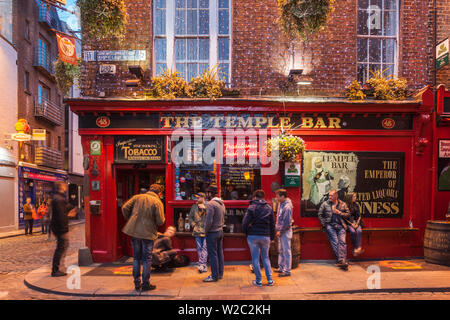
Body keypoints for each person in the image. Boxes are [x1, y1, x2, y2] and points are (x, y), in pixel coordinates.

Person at [122, 184, 165, 291]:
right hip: (148, 233)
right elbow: (160, 221)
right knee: (147, 259)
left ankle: (137, 283)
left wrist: (131, 218)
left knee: (136, 258)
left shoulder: (137, 197)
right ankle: (146, 284)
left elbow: (124, 208)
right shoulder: (157, 202)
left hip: (134, 231)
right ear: (159, 193)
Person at [242, 189, 275, 286]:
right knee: (266, 258)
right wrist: (272, 237)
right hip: (265, 236)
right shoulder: (269, 208)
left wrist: (246, 233)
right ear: (263, 197)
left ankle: (258, 281)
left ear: (254, 197)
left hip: (253, 236)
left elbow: (245, 223)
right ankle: (270, 280)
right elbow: (272, 224)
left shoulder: (251, 207)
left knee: (255, 259)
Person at [318, 189, 350, 270]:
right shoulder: (325, 204)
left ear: (336, 196)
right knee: (335, 241)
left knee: (342, 242)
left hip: (341, 225)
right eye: (329, 195)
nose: (329, 197)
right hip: (330, 225)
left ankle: (341, 261)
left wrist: (339, 213)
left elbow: (348, 214)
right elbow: (320, 214)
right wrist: (324, 224)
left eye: (331, 195)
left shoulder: (343, 204)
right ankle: (342, 261)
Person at [50, 181, 76, 277]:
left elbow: (66, 208)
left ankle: (59, 267)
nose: (66, 187)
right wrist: (64, 230)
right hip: (60, 229)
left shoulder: (59, 198)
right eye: (64, 186)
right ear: (61, 187)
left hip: (58, 228)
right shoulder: (59, 199)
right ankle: (56, 269)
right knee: (61, 248)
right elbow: (61, 216)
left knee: (62, 247)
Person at [203, 184, 225, 282]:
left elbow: (209, 221)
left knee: (212, 254)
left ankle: (214, 276)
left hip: (212, 232)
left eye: (207, 193)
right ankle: (220, 273)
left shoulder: (211, 204)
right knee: (219, 253)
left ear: (210, 193)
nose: (206, 195)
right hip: (220, 231)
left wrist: (205, 231)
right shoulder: (221, 203)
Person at [188, 192, 208, 273]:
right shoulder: (194, 206)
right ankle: (202, 265)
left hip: (206, 230)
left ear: (203, 198)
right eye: (196, 198)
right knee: (199, 248)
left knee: (205, 248)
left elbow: (211, 215)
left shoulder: (208, 206)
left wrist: (205, 208)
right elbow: (190, 218)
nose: (197, 199)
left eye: (198, 197)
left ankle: (202, 264)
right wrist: (194, 225)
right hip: (197, 230)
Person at [275, 189, 293, 277]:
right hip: (281, 231)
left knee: (286, 251)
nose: (276, 198)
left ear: (282, 196)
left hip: (285, 232)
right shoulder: (281, 204)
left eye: (277, 196)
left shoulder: (287, 207)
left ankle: (287, 271)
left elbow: (286, 222)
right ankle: (281, 268)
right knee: (281, 250)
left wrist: (280, 231)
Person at [344, 192, 364, 257]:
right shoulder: (345, 206)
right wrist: (352, 224)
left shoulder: (356, 205)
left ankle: (357, 249)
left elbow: (359, 216)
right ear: (350, 198)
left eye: (355, 196)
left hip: (356, 222)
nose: (355, 198)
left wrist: (357, 223)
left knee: (359, 231)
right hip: (349, 222)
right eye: (354, 197)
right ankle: (356, 248)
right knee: (352, 231)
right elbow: (344, 217)